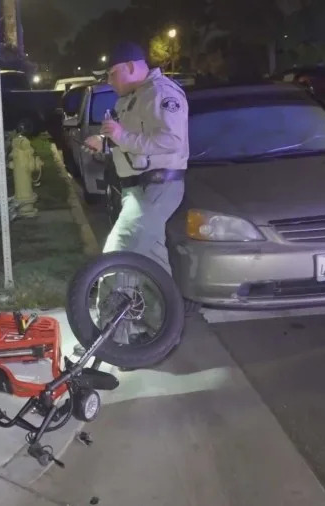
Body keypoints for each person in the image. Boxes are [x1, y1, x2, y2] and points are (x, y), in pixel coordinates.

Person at [80, 41, 189, 351]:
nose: (109, 81)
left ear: (130, 66)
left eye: (112, 74)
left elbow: (170, 140)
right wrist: (106, 144)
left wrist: (119, 136)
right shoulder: (135, 98)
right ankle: (163, 331)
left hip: (155, 186)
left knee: (118, 257)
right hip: (139, 189)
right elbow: (135, 144)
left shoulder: (160, 93)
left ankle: (111, 339)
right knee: (153, 263)